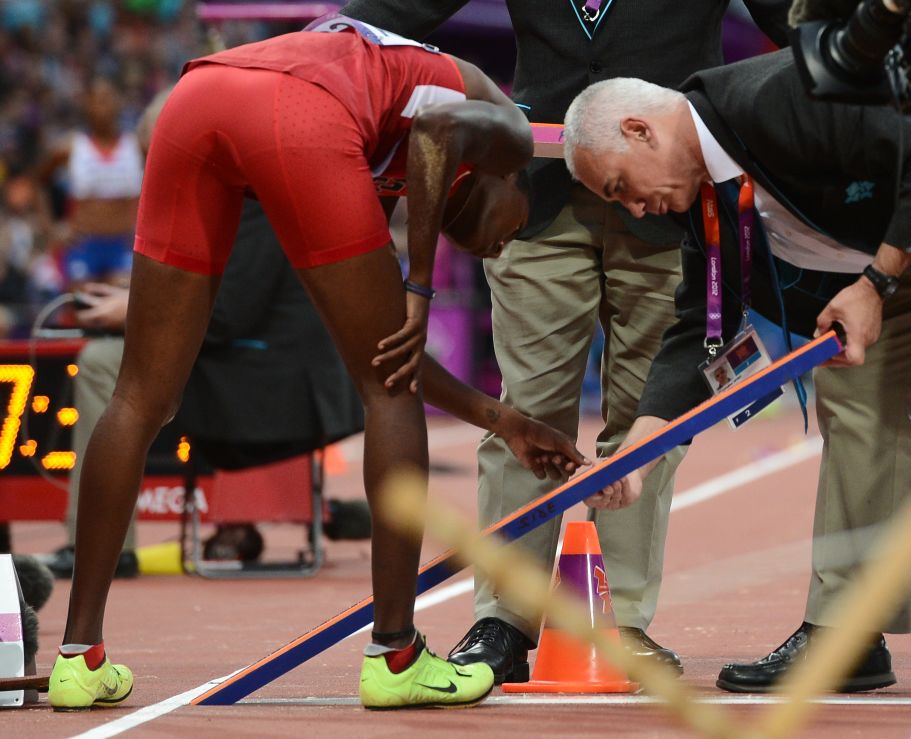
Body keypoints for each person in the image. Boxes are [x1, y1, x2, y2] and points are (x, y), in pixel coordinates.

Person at [48, 19, 589, 712]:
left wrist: (500, 417)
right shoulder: (509, 129)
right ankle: (395, 655)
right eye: (516, 230)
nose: (499, 250)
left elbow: (385, 346)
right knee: (385, 395)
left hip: (200, 97)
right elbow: (438, 133)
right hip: (295, 107)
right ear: (514, 181)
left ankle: (77, 658)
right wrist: (420, 286)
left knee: (139, 394)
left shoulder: (387, 160)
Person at [339, 0, 792, 684]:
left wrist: (854, 46)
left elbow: (793, 14)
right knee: (527, 405)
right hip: (544, 184)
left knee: (648, 410)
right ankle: (502, 617)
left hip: (666, 188)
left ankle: (623, 617)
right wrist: (335, 39)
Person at [563, 53, 911, 692]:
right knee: (860, 392)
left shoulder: (772, 100)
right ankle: (848, 634)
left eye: (620, 187)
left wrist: (873, 284)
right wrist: (634, 463)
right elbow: (697, 337)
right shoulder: (702, 199)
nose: (635, 211)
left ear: (638, 130)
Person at [37, 77, 142, 289]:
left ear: (118, 102)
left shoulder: (136, 147)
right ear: (87, 105)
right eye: (96, 100)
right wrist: (51, 229)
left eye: (107, 99)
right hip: (84, 244)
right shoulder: (71, 147)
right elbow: (39, 182)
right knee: (83, 306)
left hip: (122, 243)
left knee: (122, 307)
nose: (102, 106)